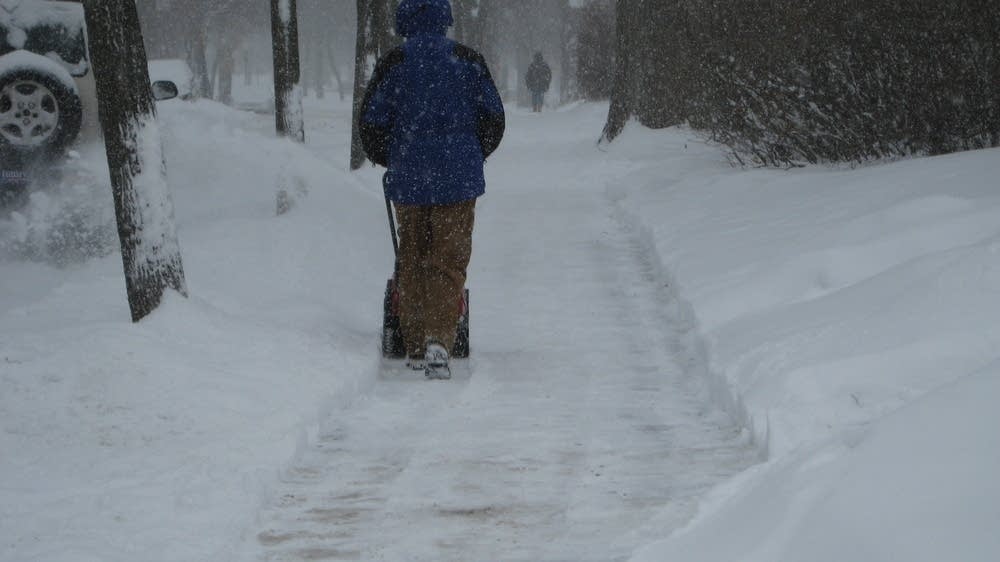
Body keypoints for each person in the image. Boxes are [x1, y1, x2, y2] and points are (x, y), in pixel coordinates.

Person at [360, 0, 505, 379]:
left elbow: (371, 122)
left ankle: (414, 342)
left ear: (404, 19)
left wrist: (391, 156)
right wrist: (472, 154)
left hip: (409, 178)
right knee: (448, 259)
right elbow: (493, 118)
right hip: (458, 181)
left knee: (411, 255)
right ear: (445, 17)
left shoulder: (395, 62)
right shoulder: (467, 60)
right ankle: (439, 340)